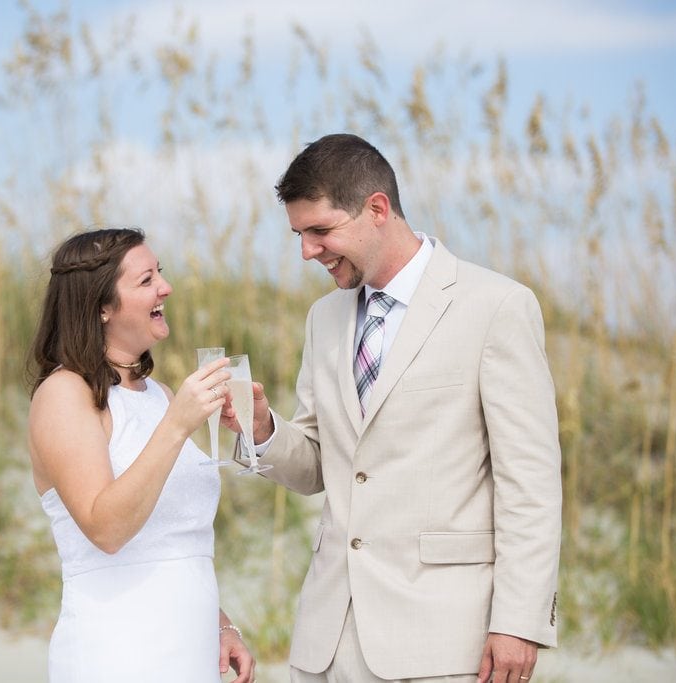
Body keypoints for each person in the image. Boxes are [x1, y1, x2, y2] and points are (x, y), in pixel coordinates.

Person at [226, 134, 562, 682]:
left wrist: (520, 621)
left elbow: (530, 483)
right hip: (327, 644)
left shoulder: (496, 306)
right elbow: (318, 466)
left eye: (320, 231)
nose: (307, 251)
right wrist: (262, 429)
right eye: (298, 234)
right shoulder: (324, 318)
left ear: (377, 209)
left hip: (445, 643)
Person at [27, 227, 256, 683]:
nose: (165, 288)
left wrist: (220, 623)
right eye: (146, 279)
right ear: (102, 307)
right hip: (117, 655)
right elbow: (107, 529)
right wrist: (176, 426)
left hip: (190, 654)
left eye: (161, 274)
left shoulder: (160, 394)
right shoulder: (63, 394)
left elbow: (171, 540)